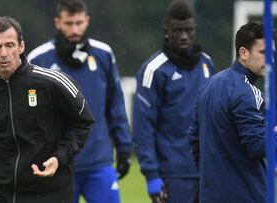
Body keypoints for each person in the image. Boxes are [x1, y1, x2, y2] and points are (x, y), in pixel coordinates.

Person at [0, 16, 94, 203]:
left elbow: (82, 122)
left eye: (10, 45)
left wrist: (60, 157)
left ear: (21, 47)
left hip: (50, 192)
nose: (4, 53)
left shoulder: (53, 83)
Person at [27, 0, 132, 203]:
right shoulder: (39, 59)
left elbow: (115, 105)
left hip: (99, 162)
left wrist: (124, 146)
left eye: (79, 22)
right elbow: (31, 116)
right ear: (57, 22)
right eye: (68, 23)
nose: (74, 29)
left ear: (87, 21)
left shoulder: (103, 54)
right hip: (57, 165)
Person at [132, 0, 214, 202]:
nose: (184, 36)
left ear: (194, 29)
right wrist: (151, 175)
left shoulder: (206, 63)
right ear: (166, 31)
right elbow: (143, 127)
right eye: (177, 31)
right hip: (173, 175)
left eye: (188, 30)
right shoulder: (153, 70)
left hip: (208, 173)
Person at [188, 22, 269, 203]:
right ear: (243, 53)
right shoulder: (247, 92)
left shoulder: (209, 86)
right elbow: (257, 146)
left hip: (210, 195)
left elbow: (194, 139)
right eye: (263, 53)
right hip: (245, 195)